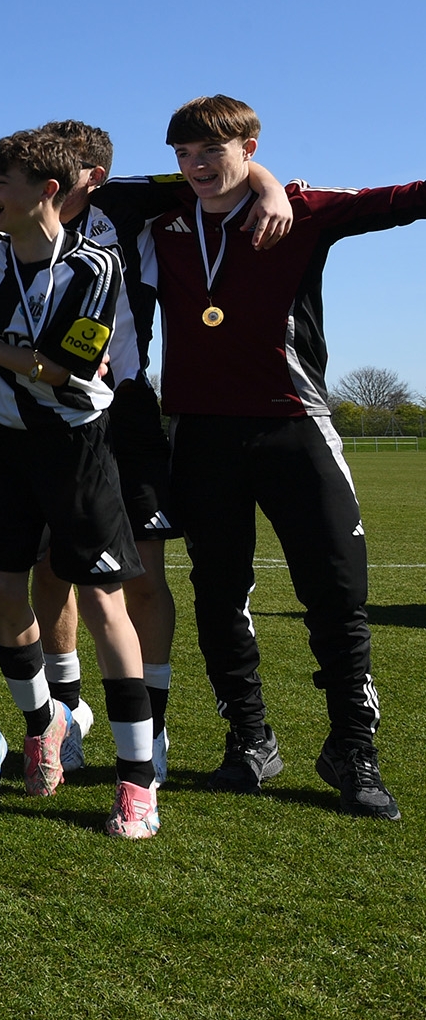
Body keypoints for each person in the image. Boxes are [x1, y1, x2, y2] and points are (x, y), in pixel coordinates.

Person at [153, 94, 425, 819]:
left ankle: (353, 751)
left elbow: (399, 199)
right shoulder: (157, 216)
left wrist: (273, 186)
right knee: (219, 594)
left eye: (211, 151)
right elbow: (64, 183)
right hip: (201, 435)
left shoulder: (301, 210)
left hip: (294, 428)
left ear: (249, 144)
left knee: (337, 595)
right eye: (183, 155)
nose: (195, 167)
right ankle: (249, 740)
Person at [0, 129, 161, 837]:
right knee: (3, 585)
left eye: (1, 184)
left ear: (48, 190)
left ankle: (138, 782)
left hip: (74, 446)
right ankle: (44, 720)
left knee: (105, 604)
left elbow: (65, 369)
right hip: (5, 444)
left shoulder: (95, 268)